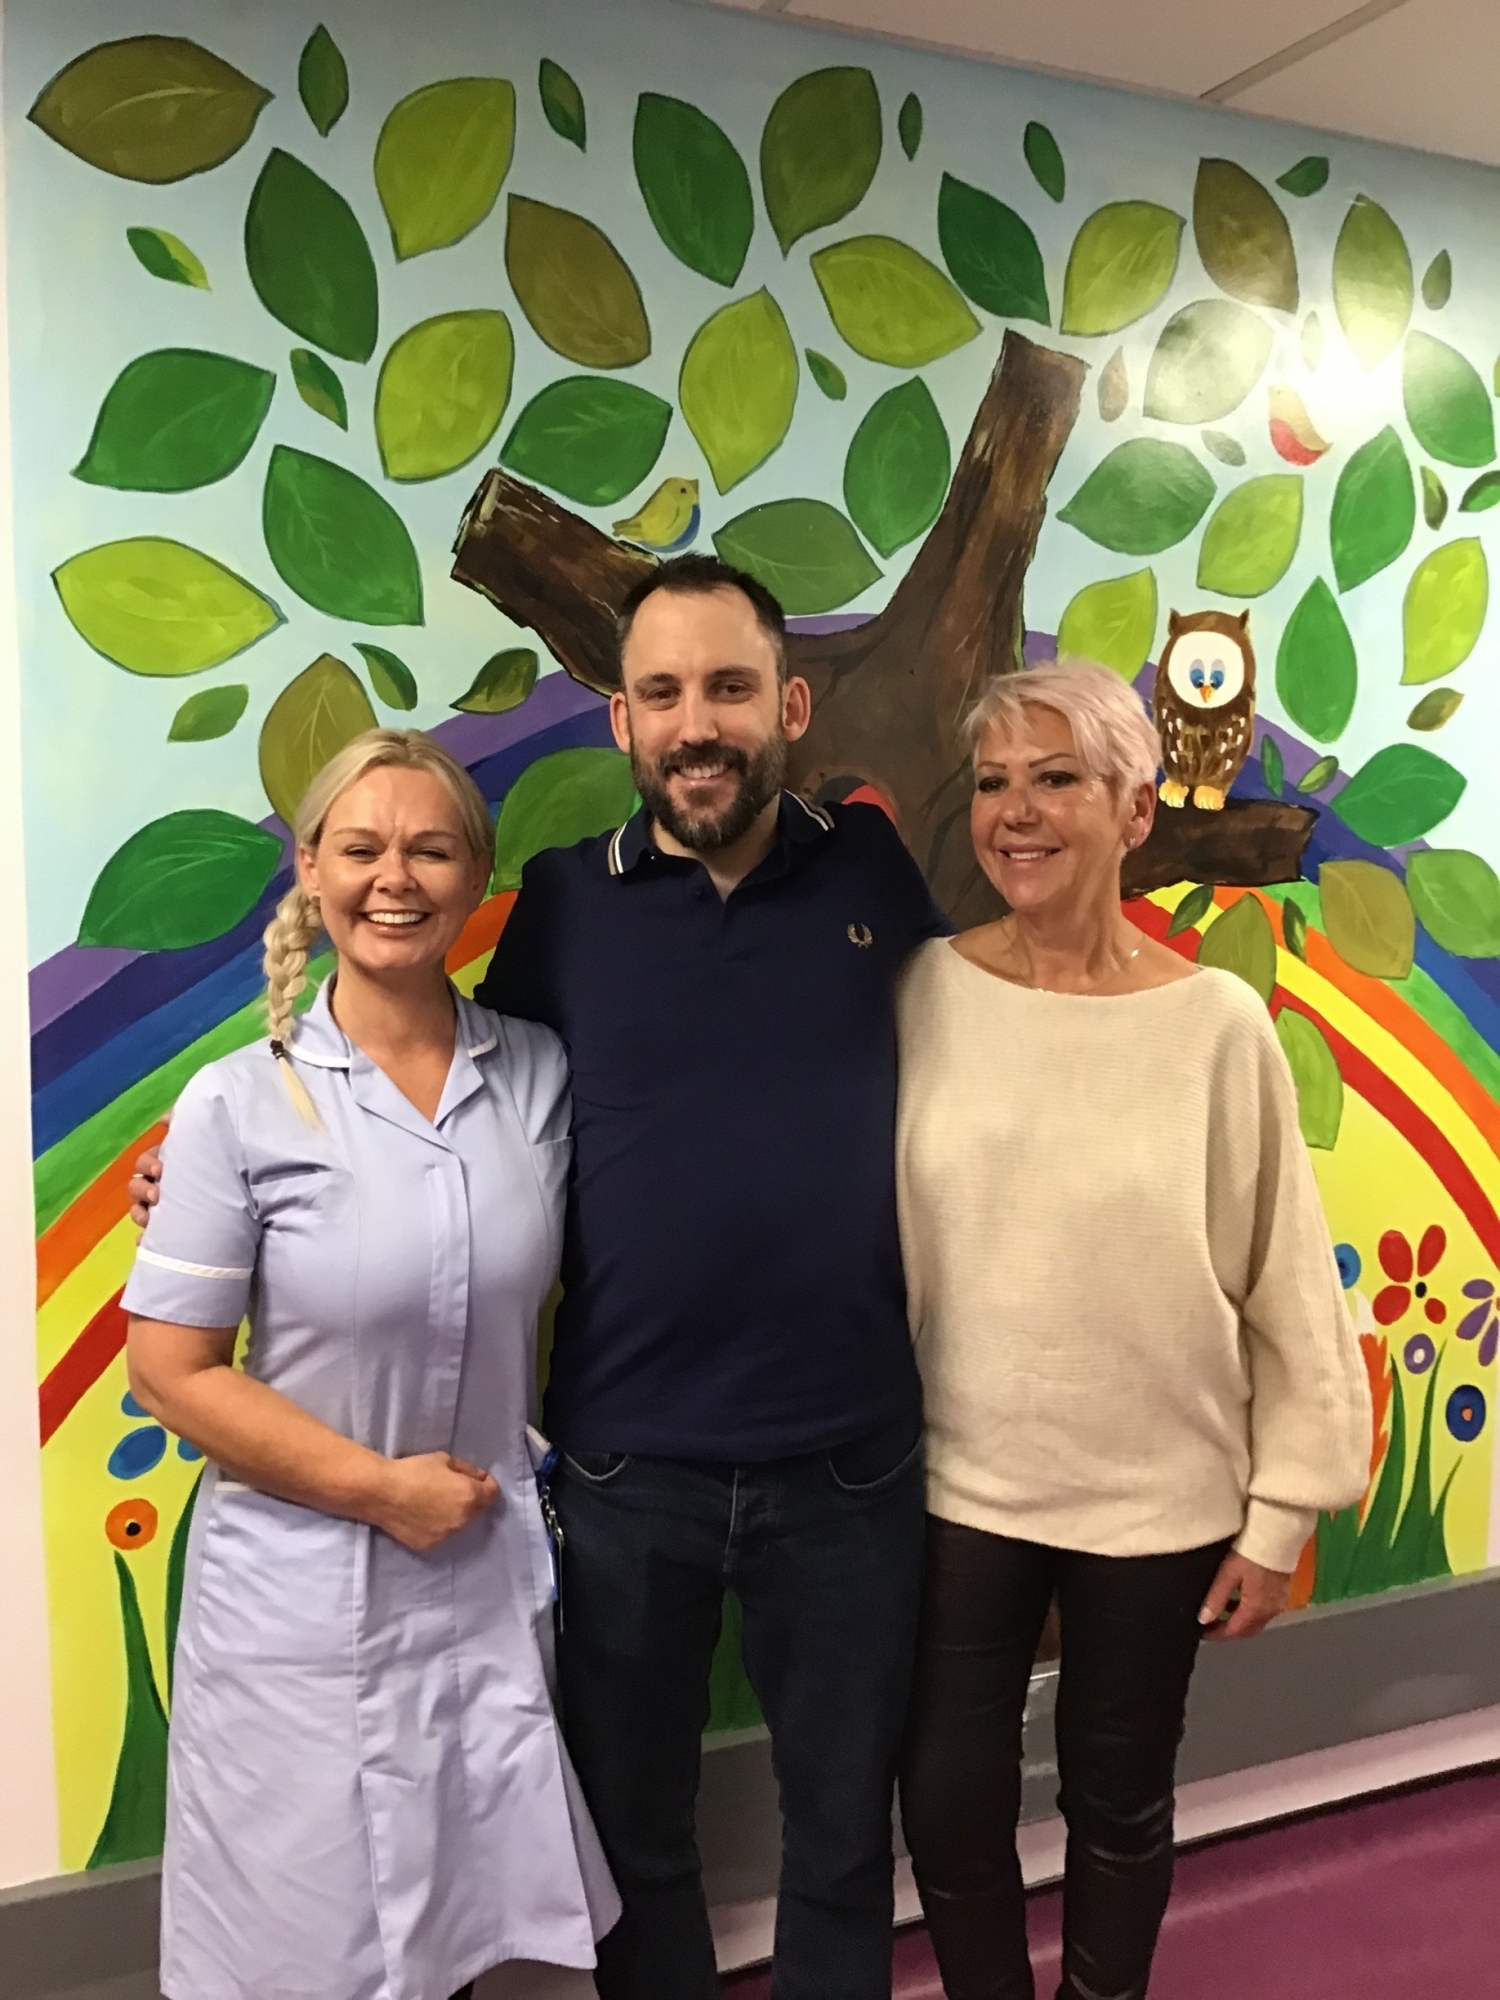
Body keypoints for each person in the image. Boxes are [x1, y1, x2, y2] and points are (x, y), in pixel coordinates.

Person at [133, 556, 949, 2000]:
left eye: (729, 688)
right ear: (619, 724)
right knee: (640, 1851)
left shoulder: (876, 877)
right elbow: (426, 1106)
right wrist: (207, 1165)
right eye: (661, 694)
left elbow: (984, 1081)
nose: (696, 724)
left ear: (792, 705)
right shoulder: (569, 907)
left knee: (838, 1839)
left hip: (852, 1464)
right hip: (629, 1475)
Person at [894, 662, 1371, 2000]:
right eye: (995, 783)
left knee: (1119, 1800)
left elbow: (1290, 1285)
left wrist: (1283, 1515)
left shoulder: (1216, 1027)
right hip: (960, 1488)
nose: (1017, 812)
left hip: (1159, 1501)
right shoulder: (925, 995)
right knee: (944, 1802)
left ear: (1134, 810)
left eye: (1056, 778)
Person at [122, 730, 618, 2000]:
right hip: (301, 1598)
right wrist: (379, 1490)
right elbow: (172, 1371)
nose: (393, 876)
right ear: (311, 869)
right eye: (361, 846)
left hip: (481, 1579)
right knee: (306, 1947)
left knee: (463, 1920)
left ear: (474, 875)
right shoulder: (237, 1104)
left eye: (429, 847)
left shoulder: (539, 1075)